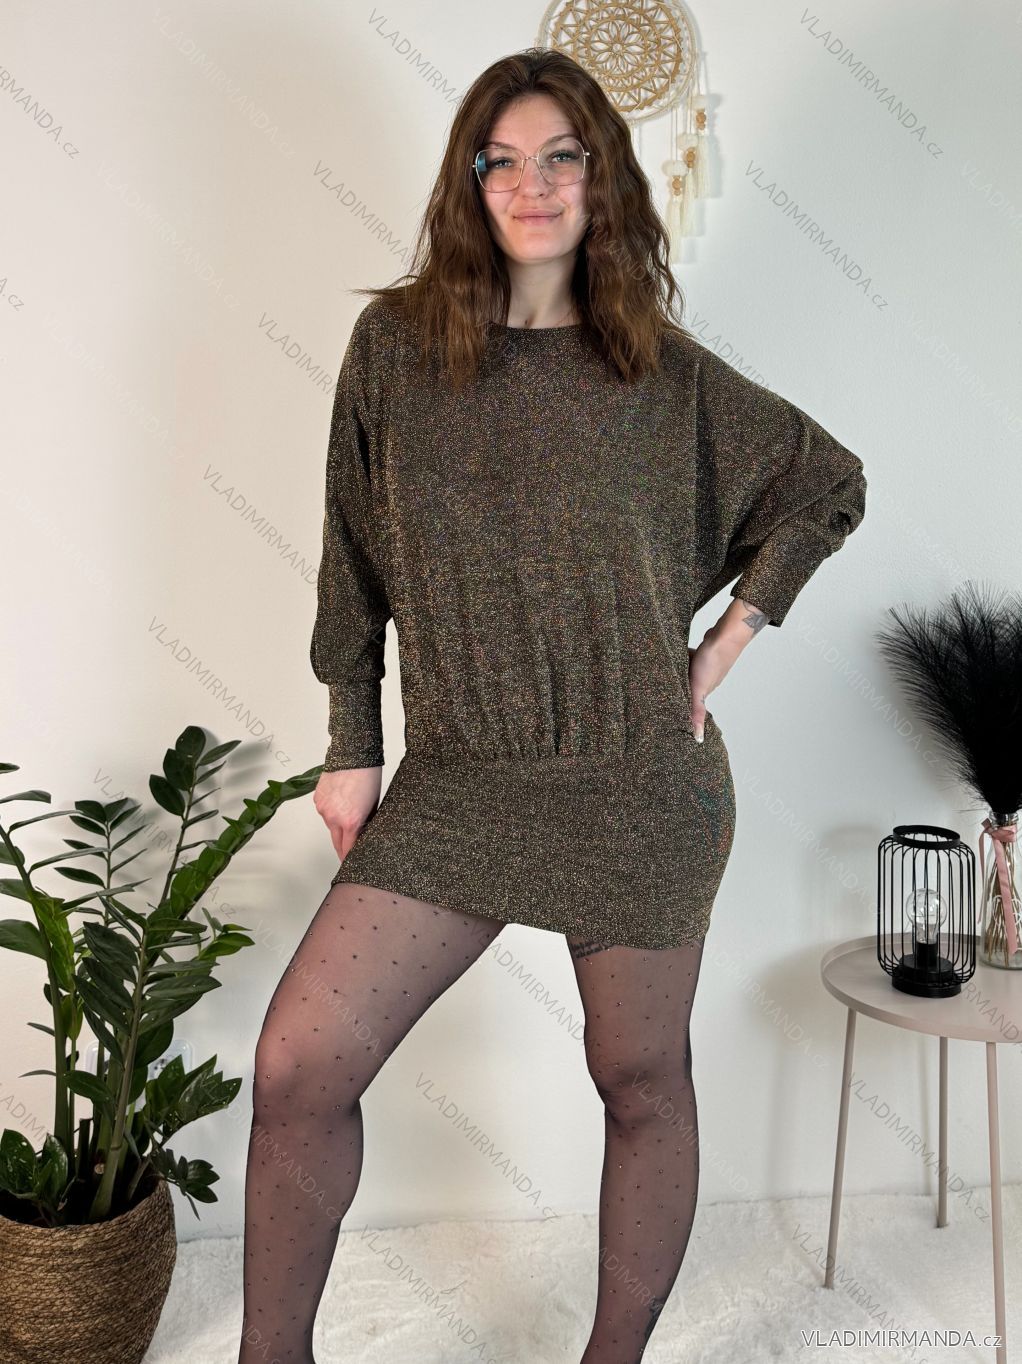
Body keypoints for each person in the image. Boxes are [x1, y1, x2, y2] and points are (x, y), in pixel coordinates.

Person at [237, 46, 867, 1364]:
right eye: (503, 161)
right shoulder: (395, 349)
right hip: (462, 775)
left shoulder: (663, 376)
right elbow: (350, 556)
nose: (534, 186)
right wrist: (352, 743)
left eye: (561, 157)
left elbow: (826, 482)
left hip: (640, 781)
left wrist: (724, 643)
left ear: (601, 178)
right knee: (299, 1069)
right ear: (468, 183)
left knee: (636, 1080)